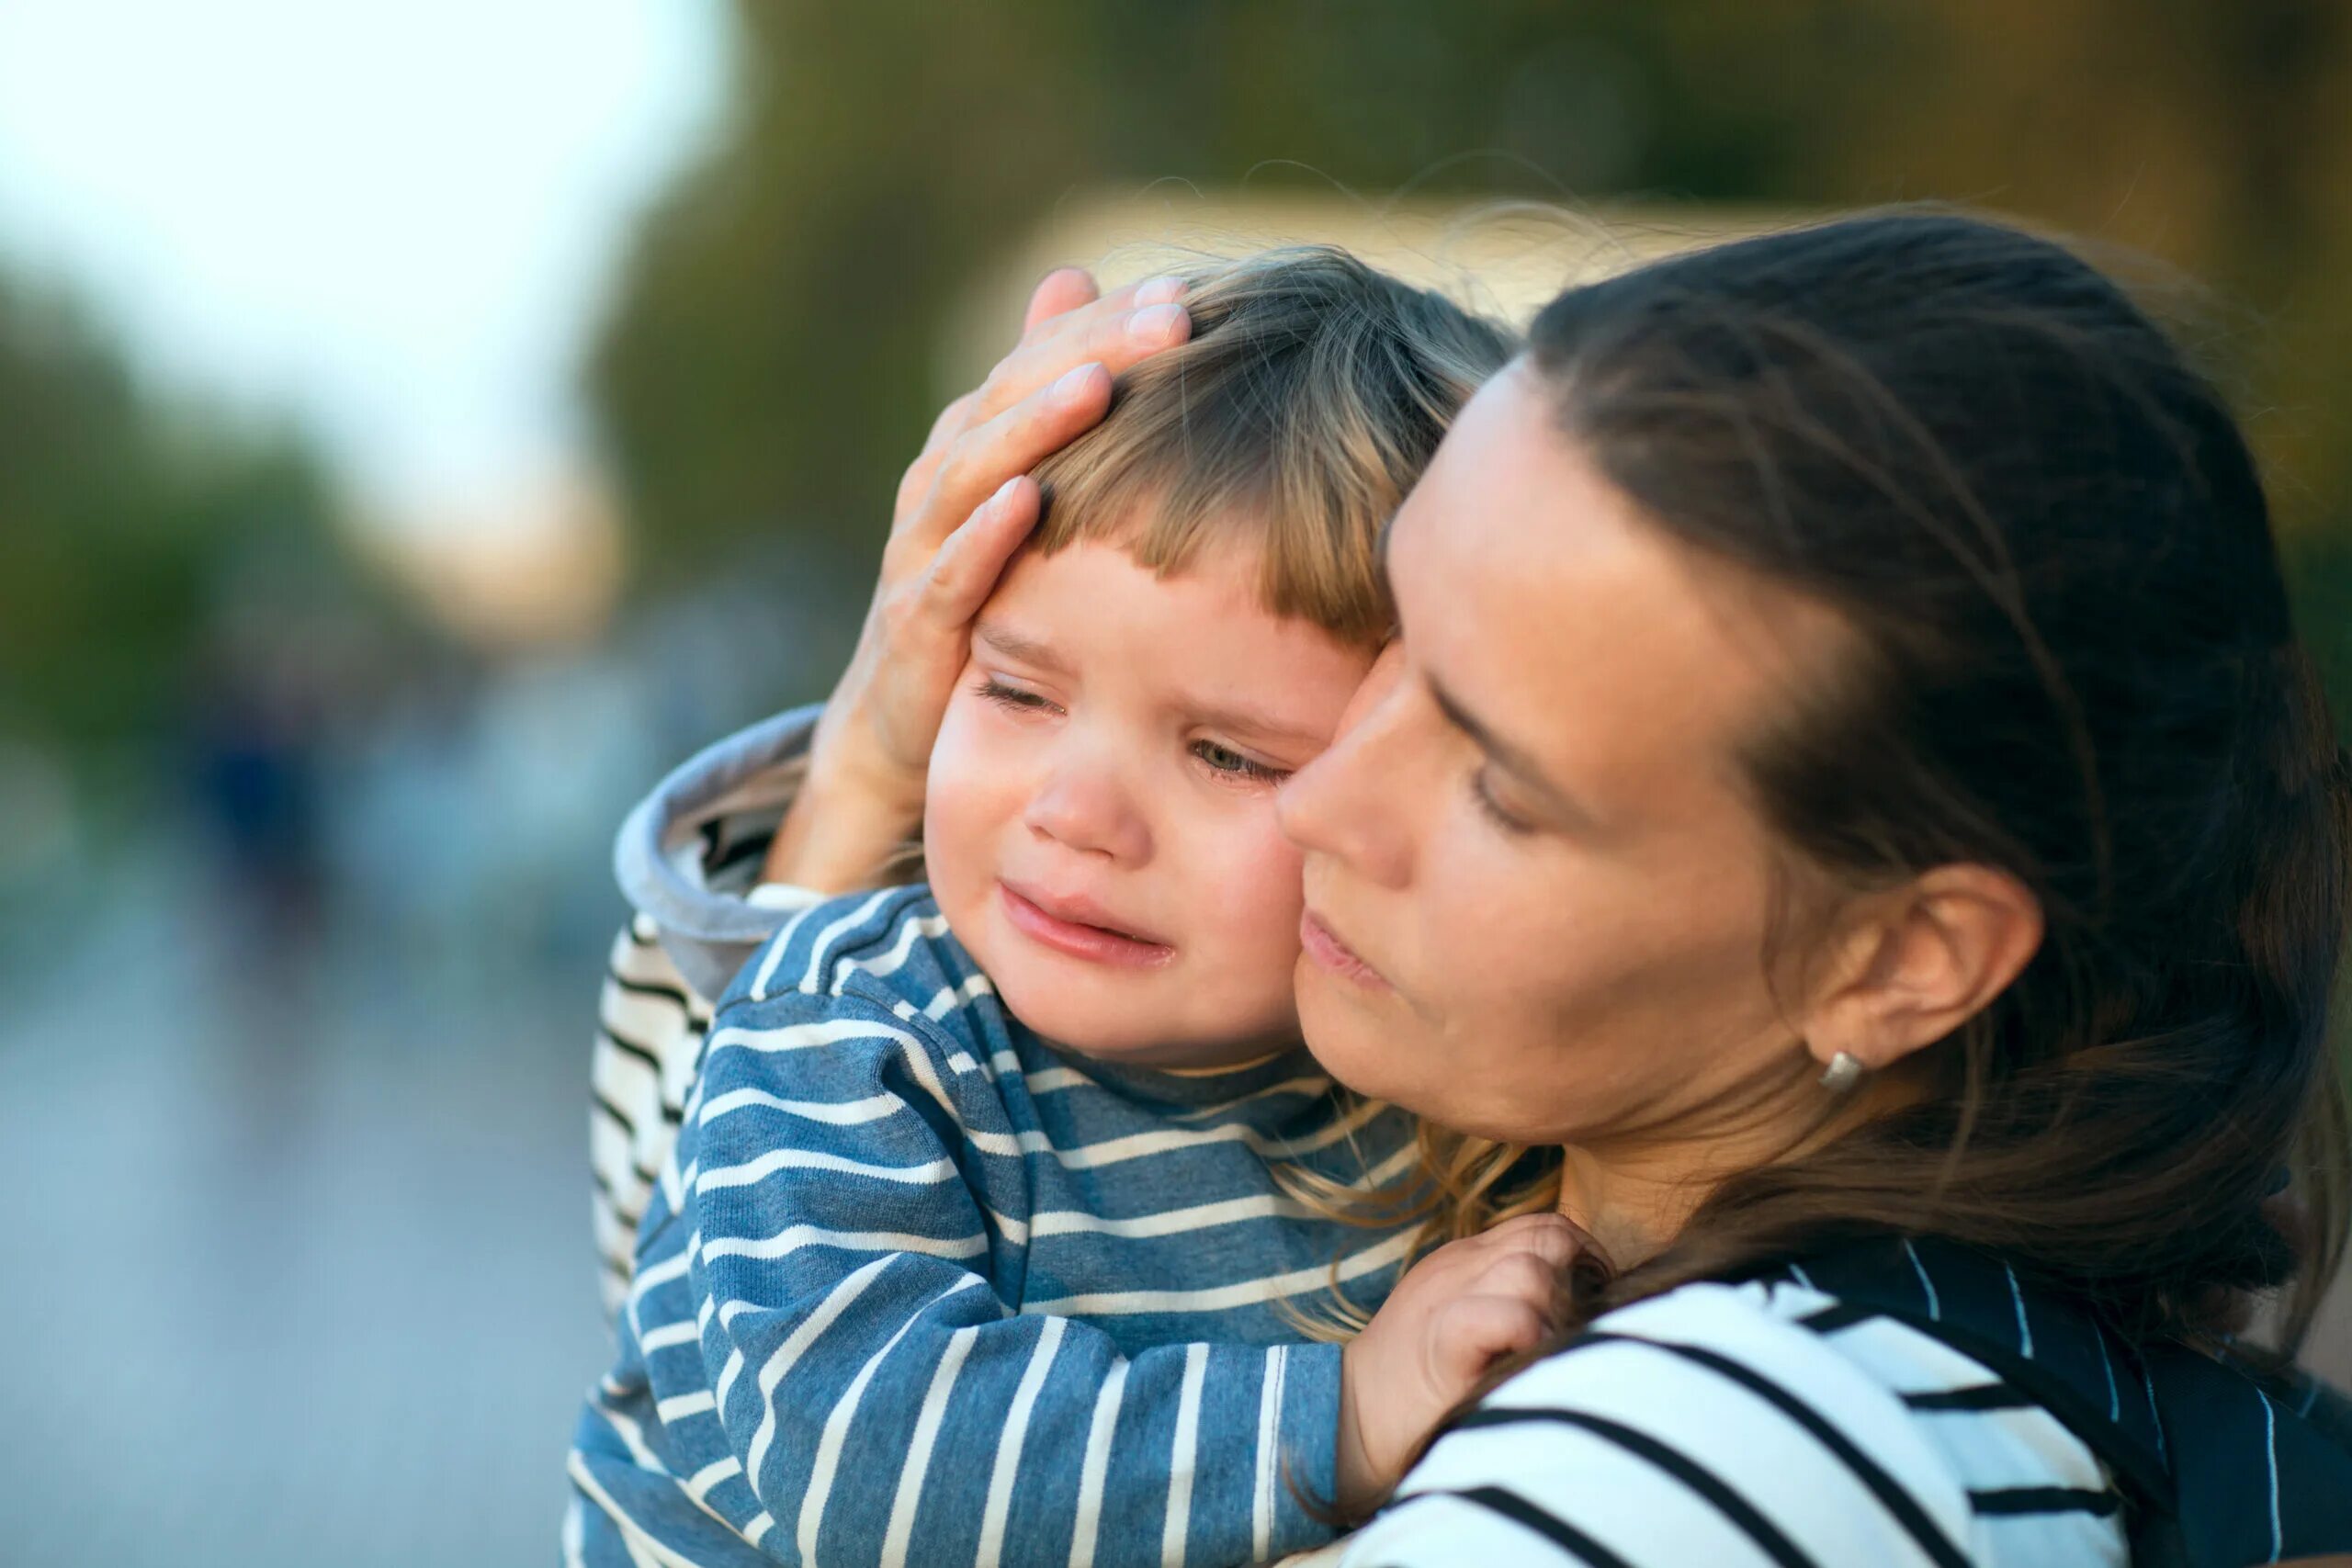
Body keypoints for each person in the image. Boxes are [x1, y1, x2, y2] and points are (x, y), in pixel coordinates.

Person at [667, 210, 2352, 1566]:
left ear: (1896, 959)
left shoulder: (1697, 1470)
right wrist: (871, 776)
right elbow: (701, 1319)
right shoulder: (1506, 1176)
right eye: (1387, 658)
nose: (1327, 792)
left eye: (1496, 776)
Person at [568, 248, 1582, 1568]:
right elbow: (862, 1459)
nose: (1075, 813)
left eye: (1229, 754)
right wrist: (1343, 1415)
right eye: (1018, 692)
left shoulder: (1433, 1104)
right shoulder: (857, 1029)